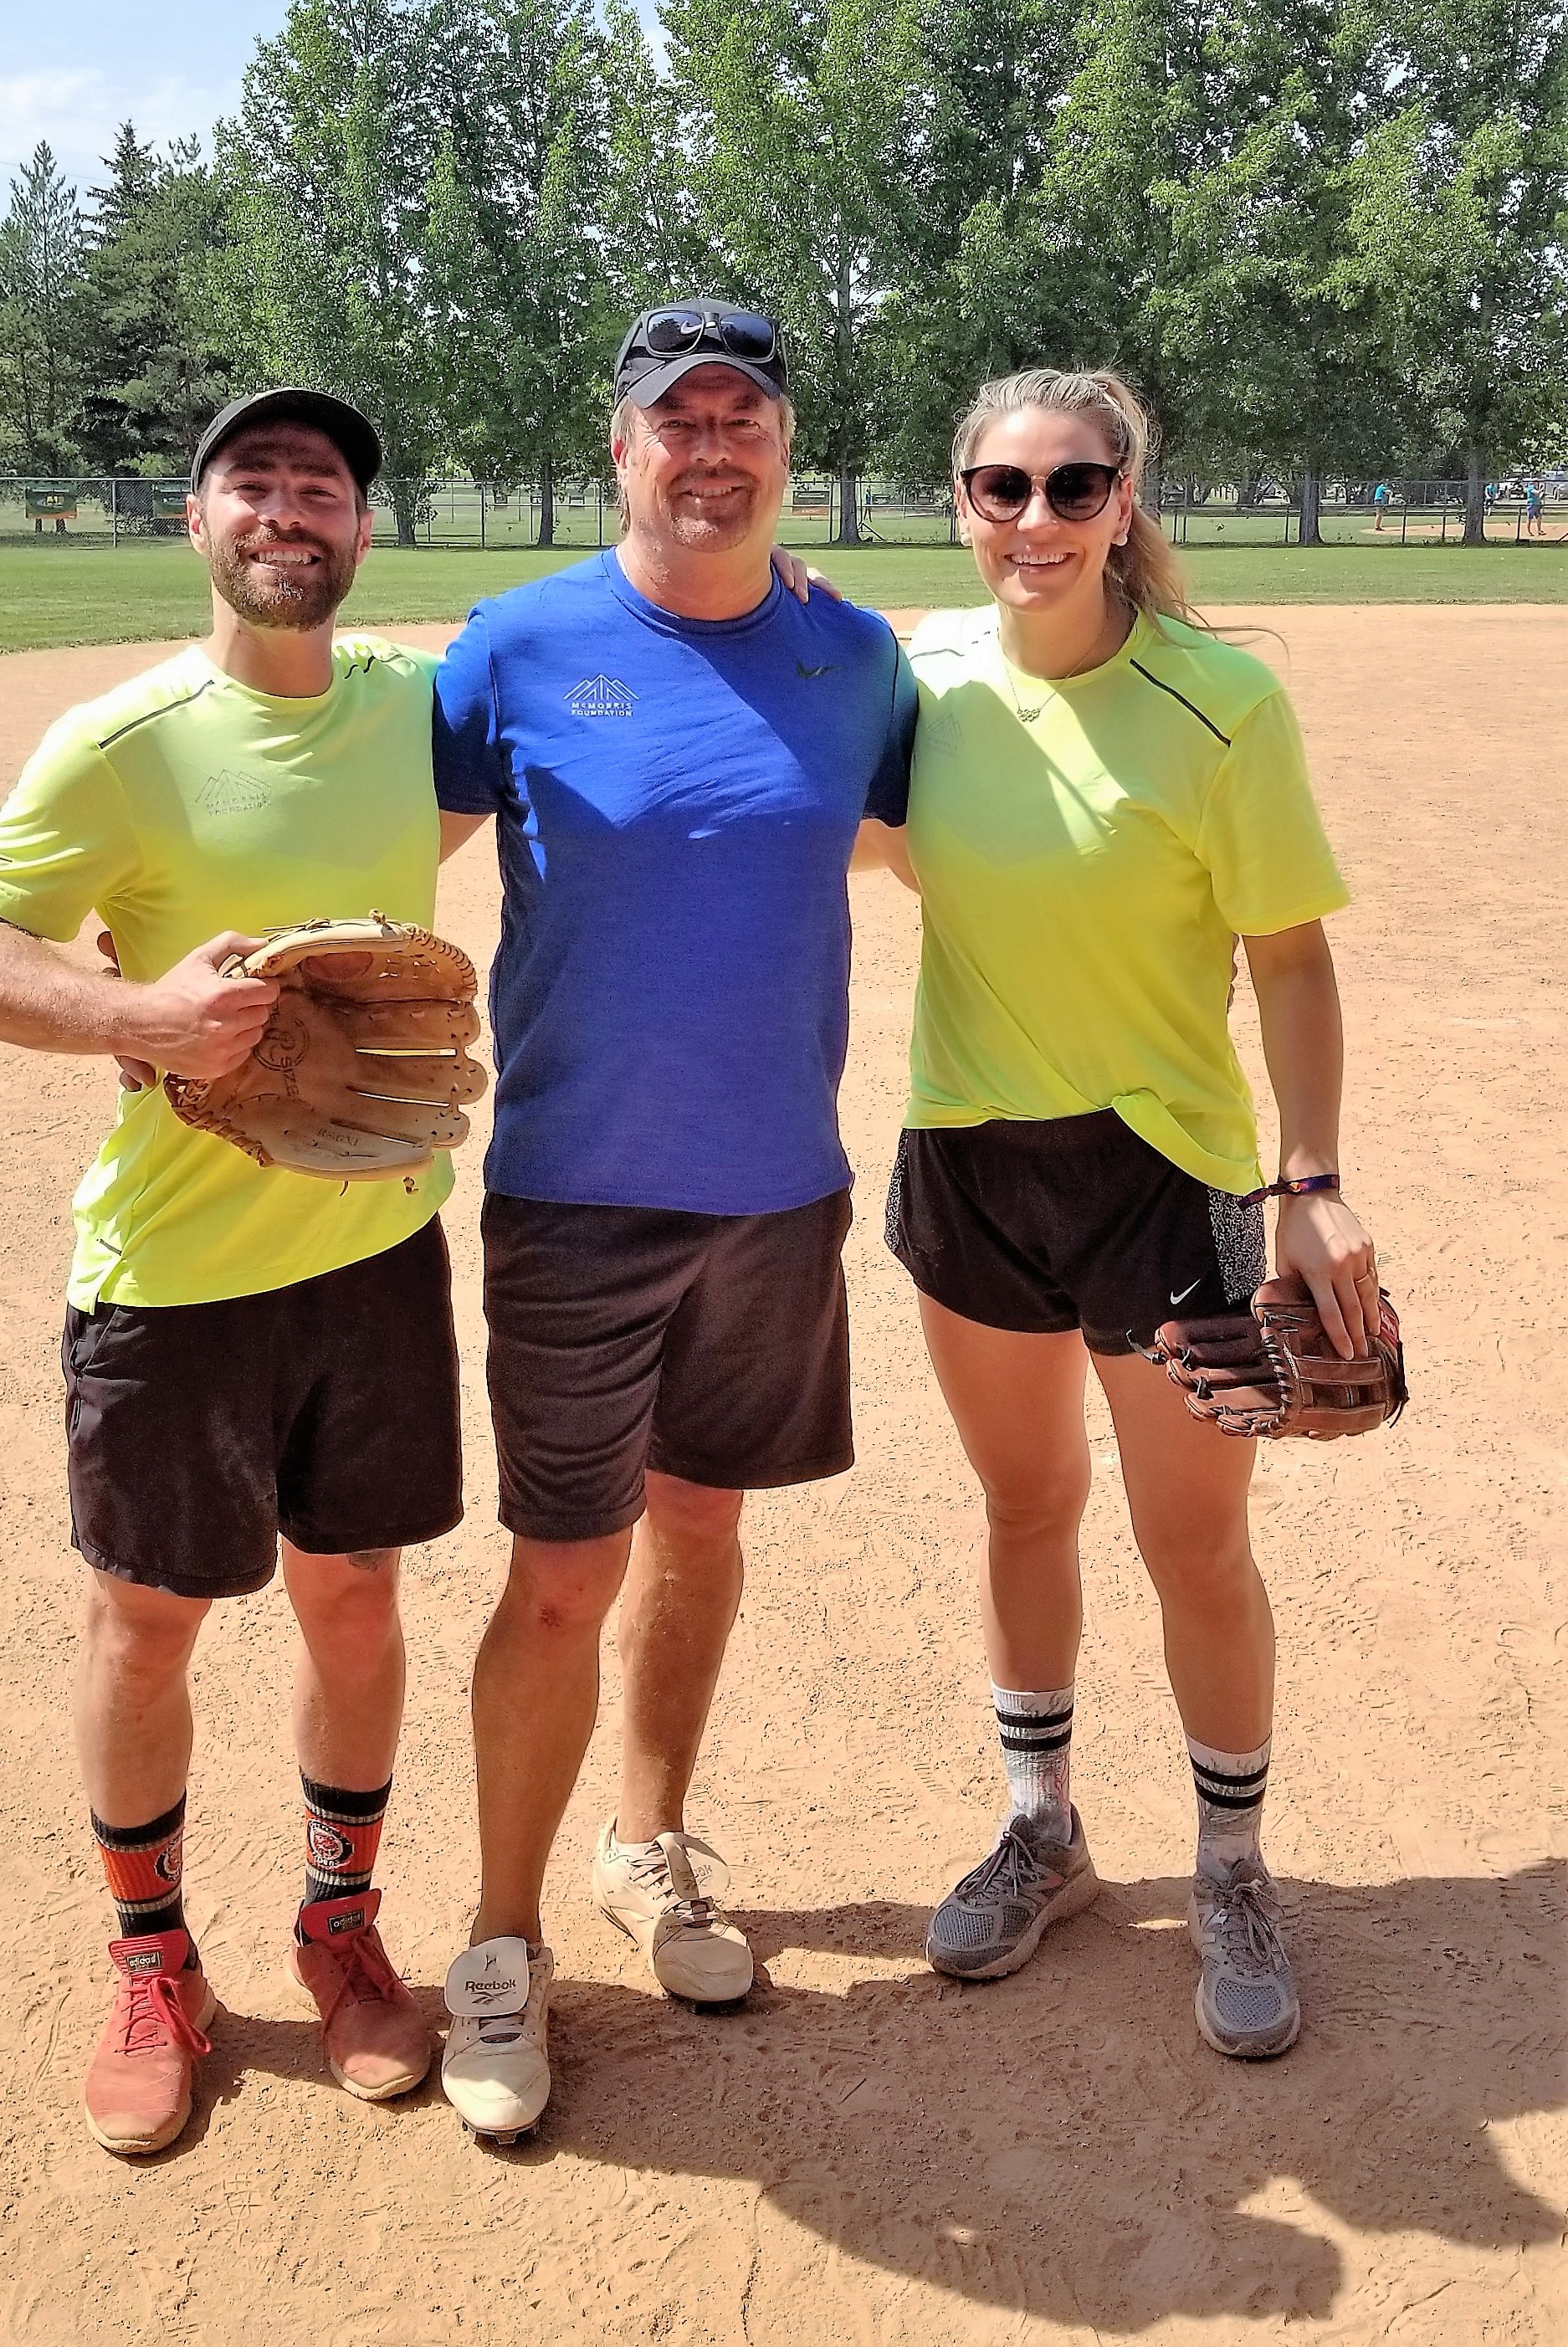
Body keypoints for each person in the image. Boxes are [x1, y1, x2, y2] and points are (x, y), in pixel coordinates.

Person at [0, 388, 471, 2155]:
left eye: (322, 483)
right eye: (255, 478)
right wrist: (133, 1013)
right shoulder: (126, 738)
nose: (288, 505)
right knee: (145, 1620)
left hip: (376, 1242)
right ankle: (153, 1958)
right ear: (198, 517)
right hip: (173, 1266)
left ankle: (338, 1919)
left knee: (357, 1595)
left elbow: (572, 717)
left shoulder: (410, 707)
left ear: (361, 531)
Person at [427, 302, 916, 2140]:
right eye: (673, 417)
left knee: (701, 1534)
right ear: (617, 441)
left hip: (776, 1192)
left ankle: (648, 1847)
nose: (709, 445)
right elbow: (367, 850)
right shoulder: (515, 644)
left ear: (783, 442)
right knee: (565, 1570)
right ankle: (496, 1939)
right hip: (571, 1198)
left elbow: (953, 841)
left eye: (743, 414)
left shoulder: (856, 659)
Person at [879, 366, 1381, 2059]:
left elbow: (1289, 957)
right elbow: (807, 804)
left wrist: (1304, 1184)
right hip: (965, 1159)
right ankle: (1045, 1829)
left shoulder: (1220, 703)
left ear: (1122, 499)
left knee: (1190, 1541)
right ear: (955, 499)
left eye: (1071, 486)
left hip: (1163, 1179)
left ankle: (1230, 1859)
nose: (1033, 520)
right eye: (998, 487)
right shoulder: (915, 681)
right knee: (1024, 1504)